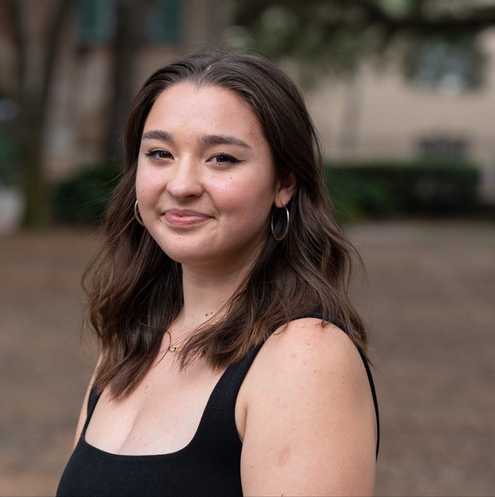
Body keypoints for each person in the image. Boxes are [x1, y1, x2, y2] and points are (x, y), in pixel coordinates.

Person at [57, 46, 379, 497]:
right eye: (159, 153)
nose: (182, 184)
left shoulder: (305, 357)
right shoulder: (130, 343)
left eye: (222, 158)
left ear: (284, 183)